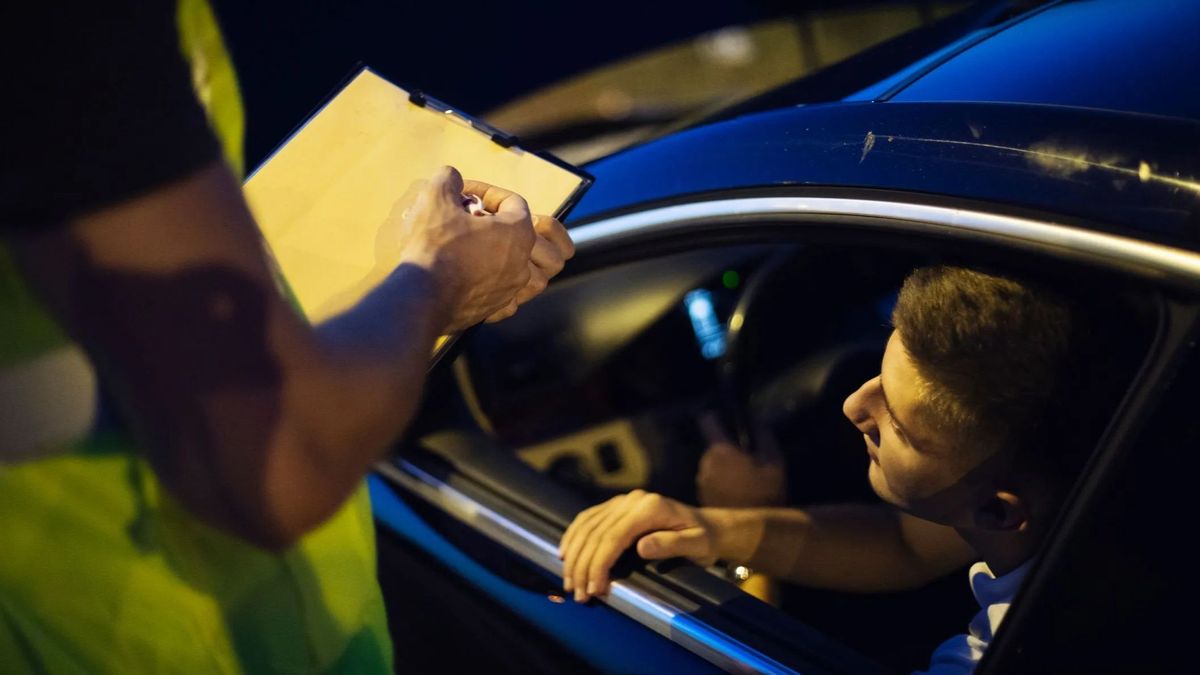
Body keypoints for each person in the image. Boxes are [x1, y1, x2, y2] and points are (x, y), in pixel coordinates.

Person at [0, 1, 572, 672]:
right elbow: (277, 458)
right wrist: (437, 278)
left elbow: (174, 348)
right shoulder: (63, 29)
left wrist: (428, 290)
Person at [560, 265, 1115, 674]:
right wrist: (714, 529)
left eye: (896, 422)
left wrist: (746, 568)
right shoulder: (1082, 491)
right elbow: (907, 545)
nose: (853, 405)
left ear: (996, 510)